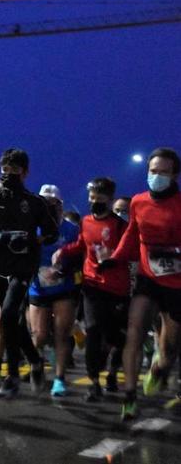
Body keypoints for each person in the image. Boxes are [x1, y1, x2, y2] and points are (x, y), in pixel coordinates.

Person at [0, 148, 59, 399]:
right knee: (14, 322)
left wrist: (34, 238)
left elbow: (52, 233)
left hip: (23, 268)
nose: (9, 174)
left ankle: (12, 376)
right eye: (5, 169)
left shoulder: (35, 203)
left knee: (6, 316)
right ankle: (36, 362)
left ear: (25, 172)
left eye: (14, 170)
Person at [102, 147, 181, 421]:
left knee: (169, 348)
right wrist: (114, 258)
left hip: (176, 283)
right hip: (148, 278)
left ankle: (160, 368)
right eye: (153, 171)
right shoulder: (138, 201)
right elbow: (131, 235)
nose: (157, 176)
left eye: (163, 172)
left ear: (174, 175)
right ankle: (130, 396)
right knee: (134, 332)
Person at [54, 177, 130, 402]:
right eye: (91, 198)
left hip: (117, 288)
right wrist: (64, 251)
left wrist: (114, 259)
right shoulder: (86, 222)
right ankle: (94, 382)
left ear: (109, 199)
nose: (94, 202)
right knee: (94, 331)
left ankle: (113, 372)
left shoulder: (119, 225)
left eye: (100, 199)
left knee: (117, 337)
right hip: (92, 285)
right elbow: (81, 245)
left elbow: (130, 250)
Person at [27, 184, 80, 398]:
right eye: (44, 202)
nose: (48, 206)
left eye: (52, 203)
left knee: (61, 333)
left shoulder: (71, 229)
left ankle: (59, 378)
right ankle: (36, 363)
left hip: (63, 286)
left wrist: (62, 270)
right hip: (37, 287)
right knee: (39, 335)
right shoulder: (33, 227)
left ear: (60, 205)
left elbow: (80, 258)